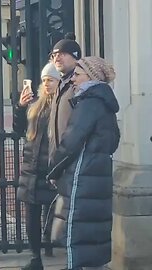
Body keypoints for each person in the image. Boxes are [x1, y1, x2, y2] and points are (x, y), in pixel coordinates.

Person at [47, 56, 120, 270]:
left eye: (78, 75)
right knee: (93, 236)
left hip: (83, 175)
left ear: (92, 77)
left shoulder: (89, 102)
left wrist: (53, 169)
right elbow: (113, 141)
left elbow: (72, 140)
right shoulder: (105, 102)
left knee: (76, 235)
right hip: (97, 173)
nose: (74, 80)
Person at [14, 63, 60, 270]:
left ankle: (54, 247)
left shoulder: (64, 102)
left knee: (53, 213)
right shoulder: (37, 104)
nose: (46, 83)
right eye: (44, 80)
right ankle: (35, 257)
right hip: (31, 167)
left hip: (51, 167)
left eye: (51, 79)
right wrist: (20, 107)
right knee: (31, 215)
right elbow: (19, 130)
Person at [49, 33, 82, 164]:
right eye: (54, 55)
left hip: (73, 162)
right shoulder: (61, 85)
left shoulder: (79, 85)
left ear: (75, 57)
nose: (57, 58)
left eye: (62, 54)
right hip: (60, 162)